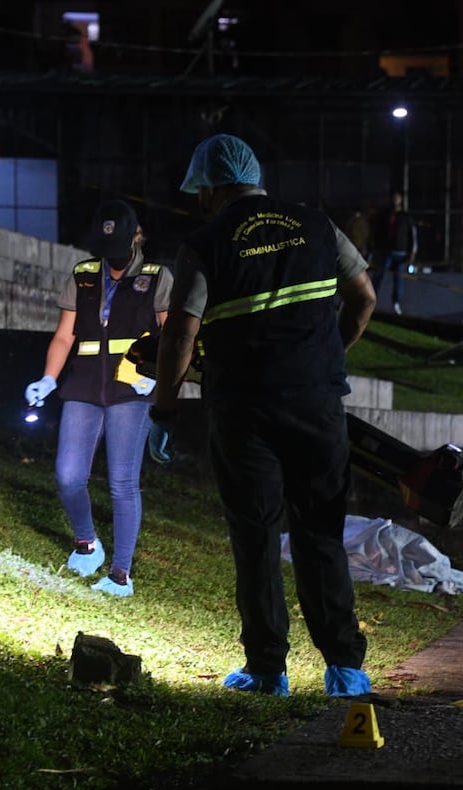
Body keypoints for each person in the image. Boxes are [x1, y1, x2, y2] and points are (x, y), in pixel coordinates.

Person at [148, 133, 377, 698]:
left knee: (255, 536)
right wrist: (325, 358)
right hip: (317, 406)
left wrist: (164, 408)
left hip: (244, 412)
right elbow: (365, 297)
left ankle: (267, 670)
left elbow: (181, 332)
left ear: (211, 188)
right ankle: (345, 669)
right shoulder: (318, 225)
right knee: (320, 531)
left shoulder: (206, 242)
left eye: (201, 189)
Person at [23, 199, 172, 597]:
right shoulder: (83, 275)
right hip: (84, 385)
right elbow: (64, 335)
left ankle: (120, 574)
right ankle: (87, 544)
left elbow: (174, 338)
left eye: (118, 248)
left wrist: (157, 381)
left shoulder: (158, 278)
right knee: (68, 476)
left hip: (132, 388)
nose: (111, 259)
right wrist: (48, 378)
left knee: (123, 483)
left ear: (135, 238)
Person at [369, 191, 416, 315]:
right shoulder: (384, 215)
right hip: (385, 252)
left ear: (401, 199)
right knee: (378, 275)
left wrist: (412, 252)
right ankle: (370, 300)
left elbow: (412, 235)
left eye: (397, 198)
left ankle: (396, 303)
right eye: (393, 198)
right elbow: (376, 232)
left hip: (400, 253)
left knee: (399, 278)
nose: (395, 200)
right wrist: (375, 248)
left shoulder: (405, 217)